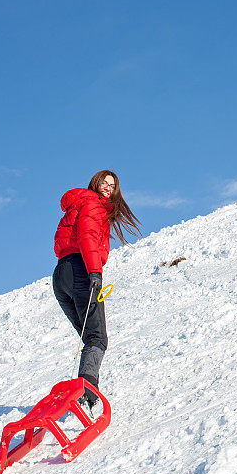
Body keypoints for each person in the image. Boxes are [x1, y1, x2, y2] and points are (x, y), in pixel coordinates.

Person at [52, 170, 141, 411]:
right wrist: (94, 271)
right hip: (81, 270)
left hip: (61, 274)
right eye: (105, 182)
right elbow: (88, 236)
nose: (108, 188)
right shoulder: (93, 204)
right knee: (97, 337)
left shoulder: (78, 203)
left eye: (113, 186)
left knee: (89, 336)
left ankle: (86, 390)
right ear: (96, 182)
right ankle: (87, 394)